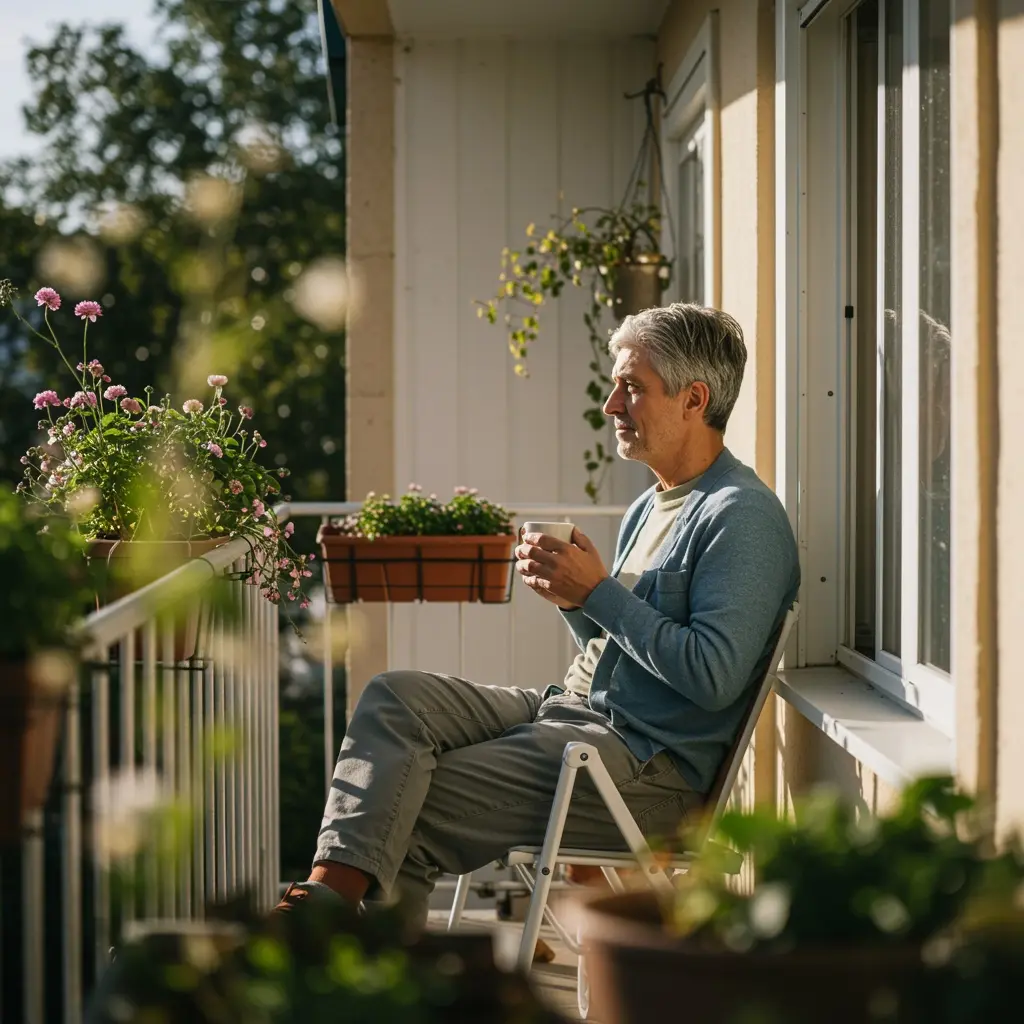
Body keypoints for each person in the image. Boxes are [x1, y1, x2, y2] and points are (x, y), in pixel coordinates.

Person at [275, 303, 800, 933]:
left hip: (644, 769)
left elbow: (712, 676)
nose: (610, 405)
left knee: (407, 801)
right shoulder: (648, 507)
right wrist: (577, 601)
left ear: (694, 399)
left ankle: (347, 947)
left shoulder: (740, 516)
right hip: (577, 716)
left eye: (631, 387)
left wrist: (599, 593)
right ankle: (330, 907)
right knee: (395, 698)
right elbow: (616, 644)